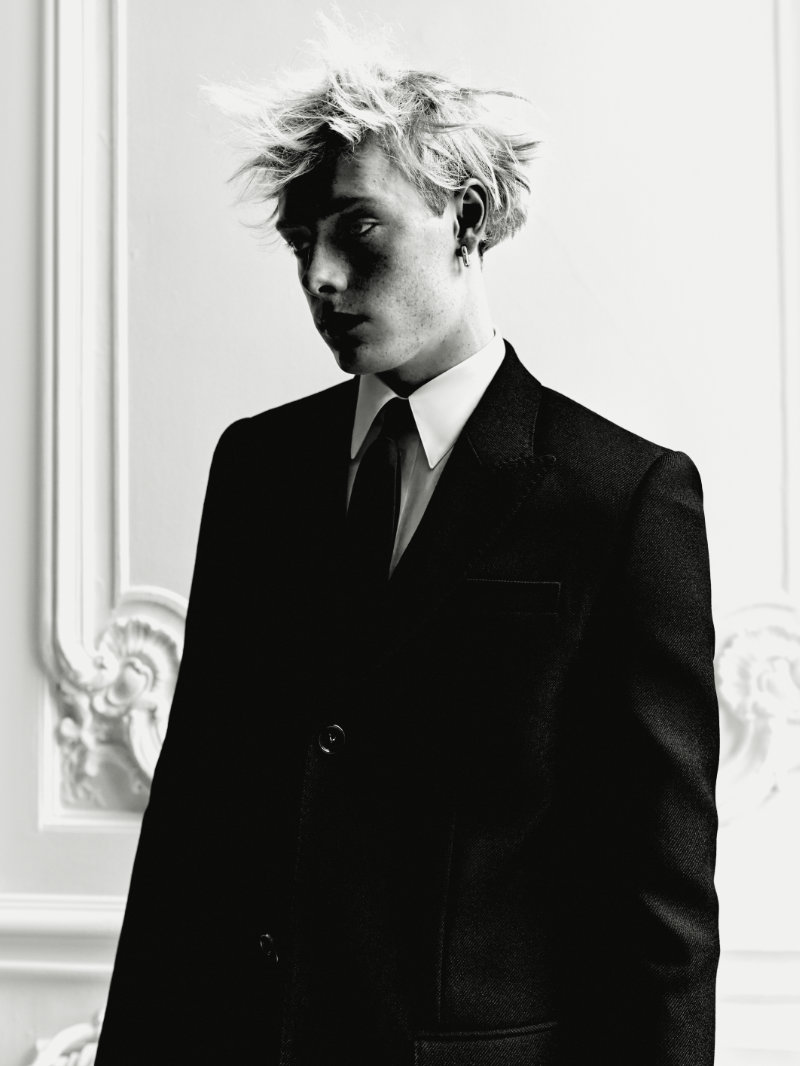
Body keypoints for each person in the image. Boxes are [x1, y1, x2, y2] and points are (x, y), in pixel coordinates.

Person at [95, 29, 720, 1066]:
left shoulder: (623, 498)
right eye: (301, 242)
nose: (321, 276)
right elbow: (192, 826)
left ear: (464, 221)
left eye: (359, 228)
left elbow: (659, 907)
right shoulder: (258, 468)